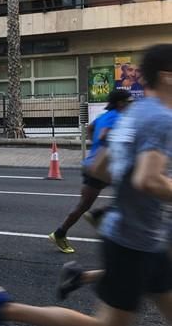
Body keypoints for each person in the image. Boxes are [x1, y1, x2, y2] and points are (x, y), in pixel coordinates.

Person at [0, 44, 172, 326]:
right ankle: (4, 308)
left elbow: (100, 169)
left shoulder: (135, 113)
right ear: (167, 77)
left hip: (141, 236)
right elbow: (148, 180)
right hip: (134, 242)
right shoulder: (161, 119)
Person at [48, 89, 133, 253]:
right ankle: (96, 215)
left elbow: (90, 128)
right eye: (129, 102)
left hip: (94, 166)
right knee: (131, 194)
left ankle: (62, 232)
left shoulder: (104, 116)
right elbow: (103, 135)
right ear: (121, 103)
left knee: (84, 206)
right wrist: (110, 146)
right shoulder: (119, 118)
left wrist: (95, 145)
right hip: (103, 168)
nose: (131, 105)